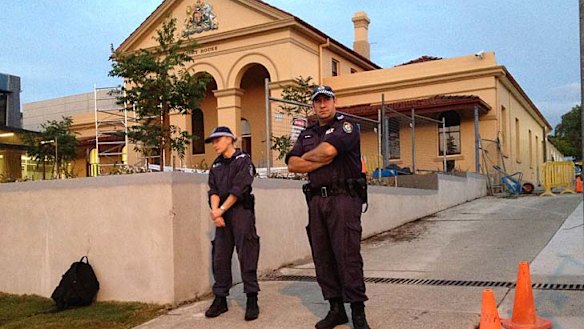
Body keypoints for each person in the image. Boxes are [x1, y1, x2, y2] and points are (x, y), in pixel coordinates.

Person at [286, 85, 370, 329]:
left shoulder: (347, 126)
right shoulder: (308, 132)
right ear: (313, 105)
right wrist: (319, 159)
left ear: (334, 101)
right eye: (318, 101)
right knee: (322, 255)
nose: (322, 105)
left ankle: (357, 311)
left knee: (347, 255)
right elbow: (292, 164)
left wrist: (312, 157)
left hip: (343, 197)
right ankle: (336, 309)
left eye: (327, 100)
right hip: (316, 201)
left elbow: (330, 149)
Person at [204, 126, 260, 321]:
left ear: (229, 139)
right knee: (219, 256)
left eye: (217, 140)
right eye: (213, 141)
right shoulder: (216, 165)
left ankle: (252, 298)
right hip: (222, 214)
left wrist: (221, 210)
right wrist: (215, 212)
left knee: (247, 253)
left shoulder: (243, 160)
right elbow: (213, 191)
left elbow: (239, 188)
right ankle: (220, 299)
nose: (214, 144)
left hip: (240, 212)